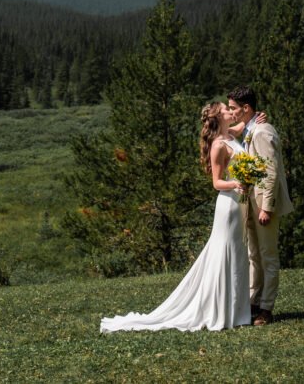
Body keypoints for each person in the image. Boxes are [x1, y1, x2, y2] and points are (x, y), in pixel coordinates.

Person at [100, 102, 251, 332]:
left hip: (238, 202)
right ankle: (220, 311)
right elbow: (216, 182)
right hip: (228, 204)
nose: (231, 112)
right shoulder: (219, 145)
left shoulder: (230, 134)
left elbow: (242, 124)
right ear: (219, 117)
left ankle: (237, 311)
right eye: (226, 109)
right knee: (224, 253)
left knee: (237, 252)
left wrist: (256, 117)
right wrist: (236, 183)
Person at [227, 85, 293, 327]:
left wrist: (267, 207)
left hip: (263, 203)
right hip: (249, 202)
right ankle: (254, 301)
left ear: (246, 108)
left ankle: (267, 307)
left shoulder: (263, 132)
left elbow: (271, 173)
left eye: (234, 108)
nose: (231, 112)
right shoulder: (250, 128)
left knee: (268, 255)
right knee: (254, 255)